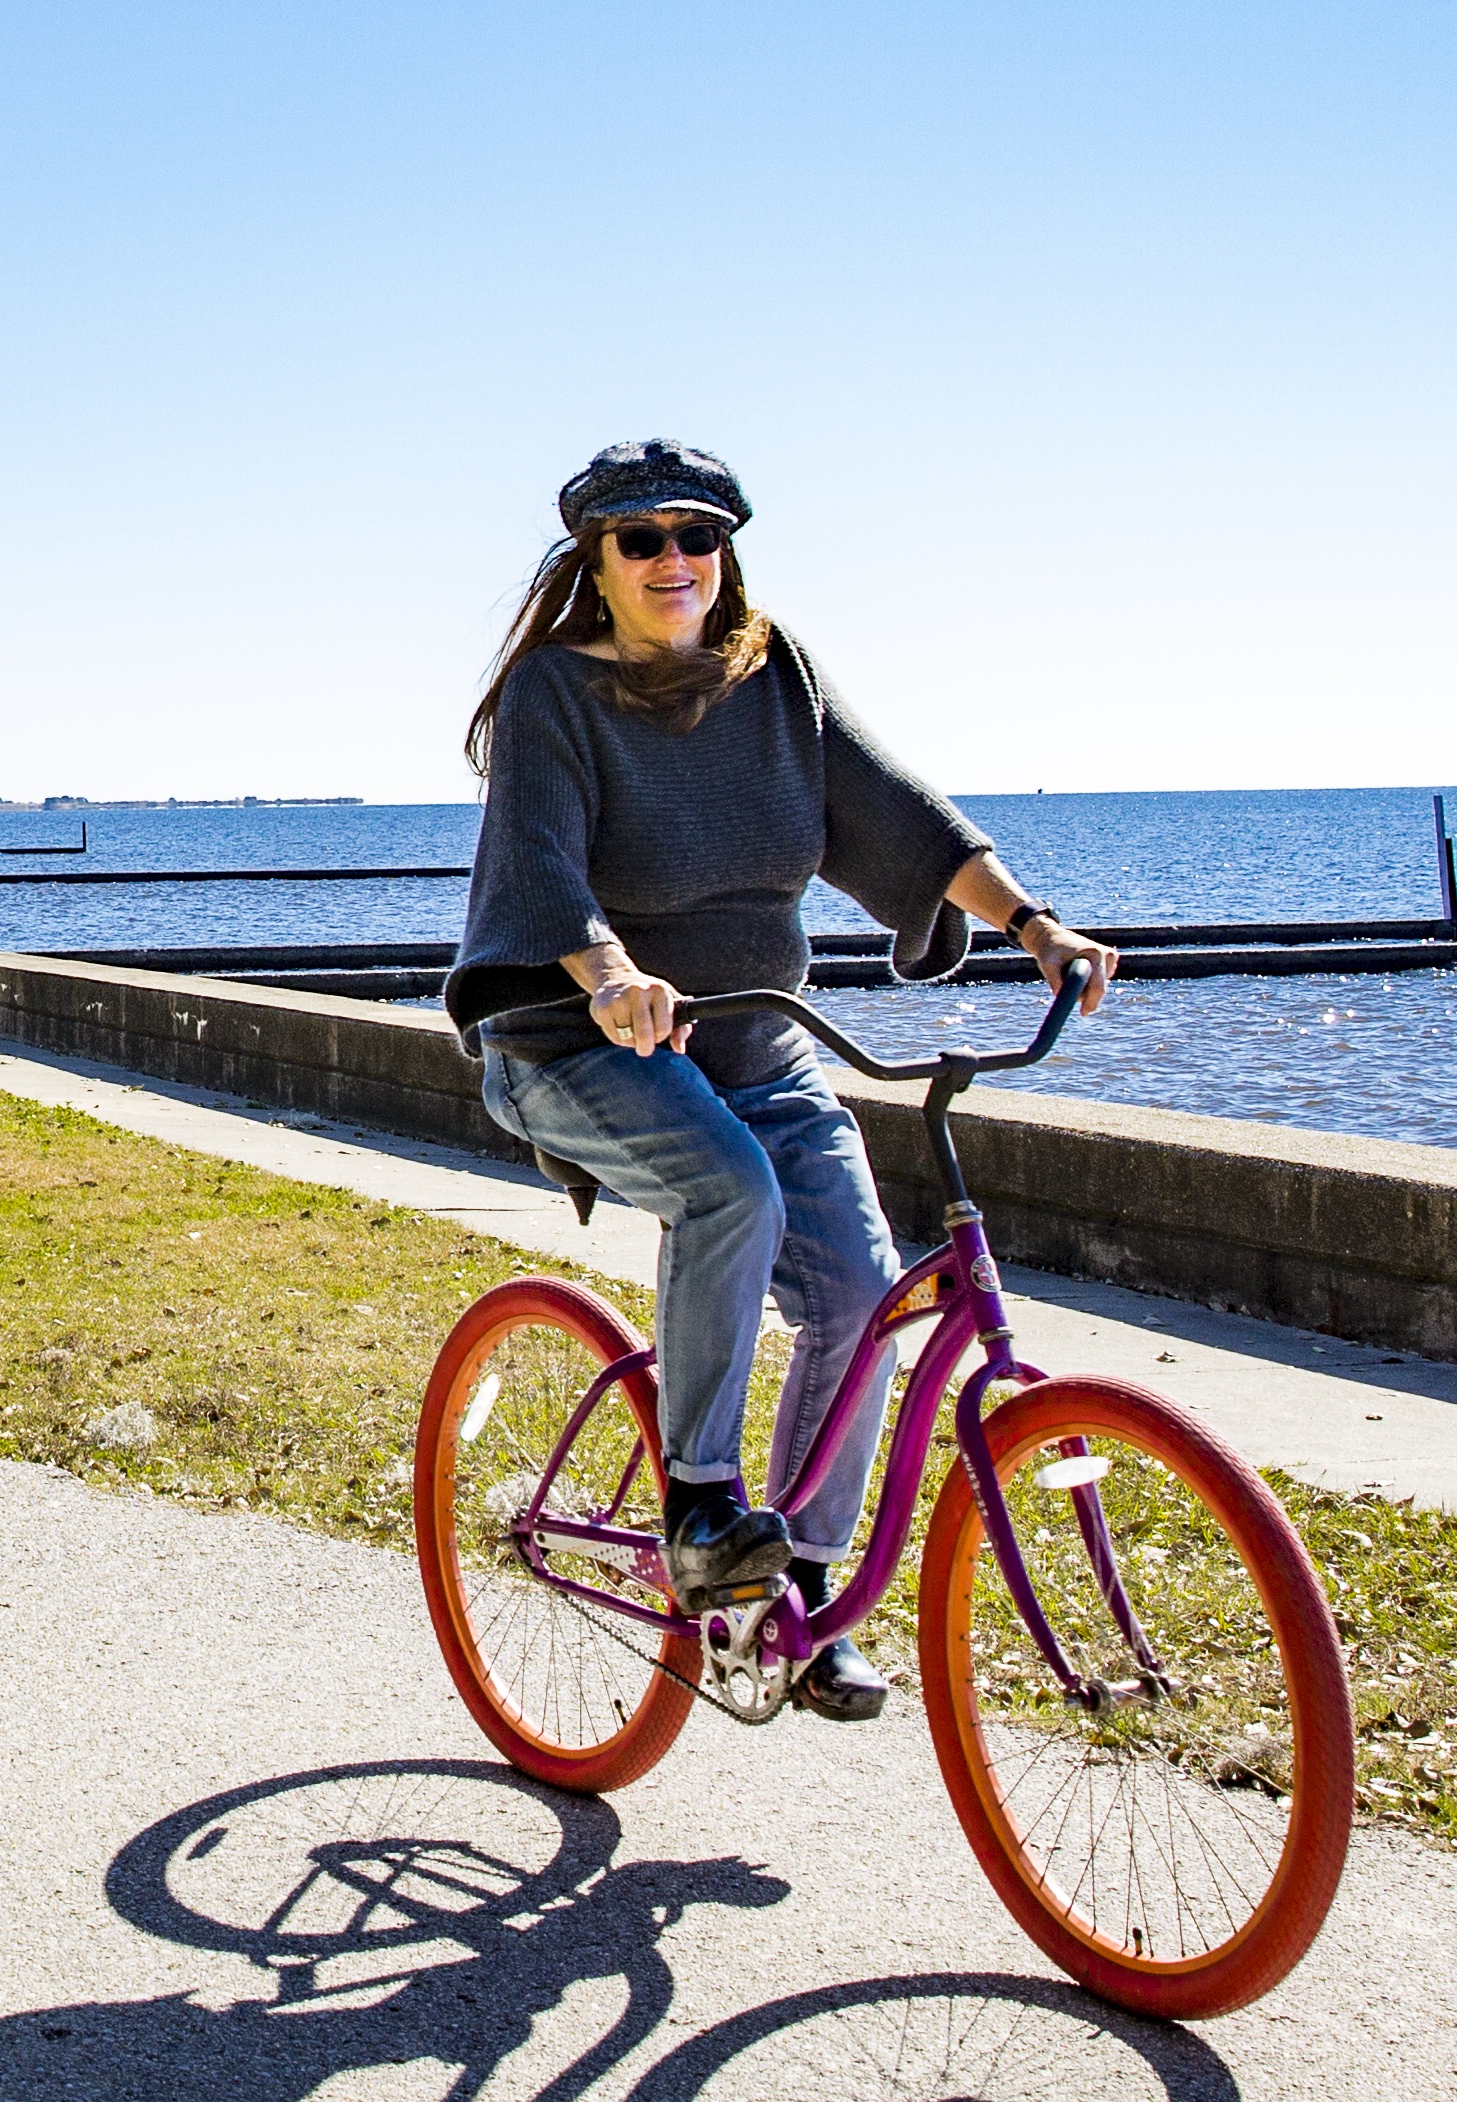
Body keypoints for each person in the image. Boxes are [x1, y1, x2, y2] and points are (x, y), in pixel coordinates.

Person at [447, 440, 1118, 1720]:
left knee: (865, 1295)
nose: (674, 560)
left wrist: (1038, 927)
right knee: (731, 1193)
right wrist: (609, 974)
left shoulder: (775, 676)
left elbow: (898, 815)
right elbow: (542, 872)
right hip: (571, 1040)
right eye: (641, 539)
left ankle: (791, 1598)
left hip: (752, 1041)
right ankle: (701, 1507)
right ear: (596, 558)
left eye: (697, 535)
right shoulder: (554, 695)